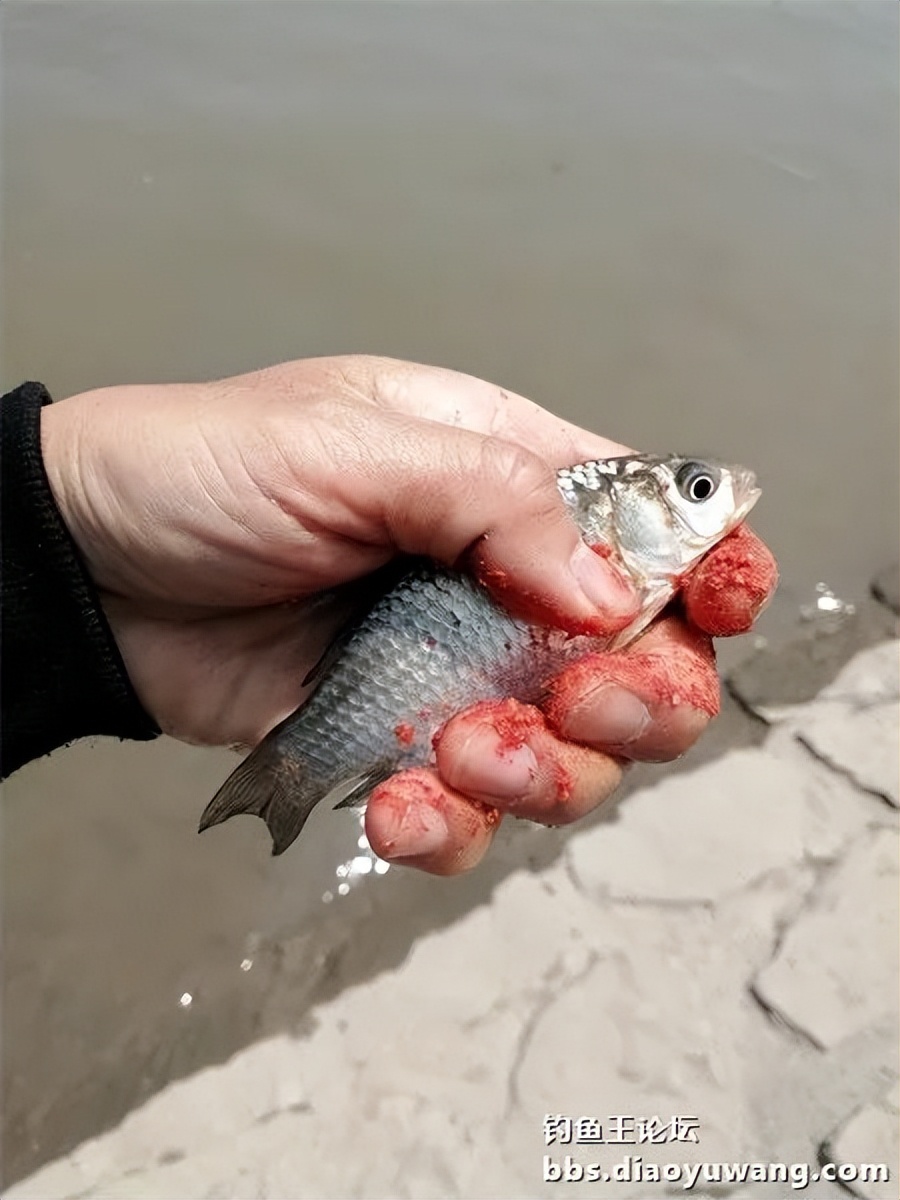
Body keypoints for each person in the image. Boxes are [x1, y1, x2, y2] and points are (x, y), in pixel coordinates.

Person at [1, 355, 777, 875]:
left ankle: (296, 776)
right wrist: (56, 517)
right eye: (696, 491)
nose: (721, 495)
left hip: (355, 643)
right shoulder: (586, 528)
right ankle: (294, 774)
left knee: (527, 742)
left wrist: (45, 548)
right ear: (623, 511)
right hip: (369, 638)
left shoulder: (594, 528)